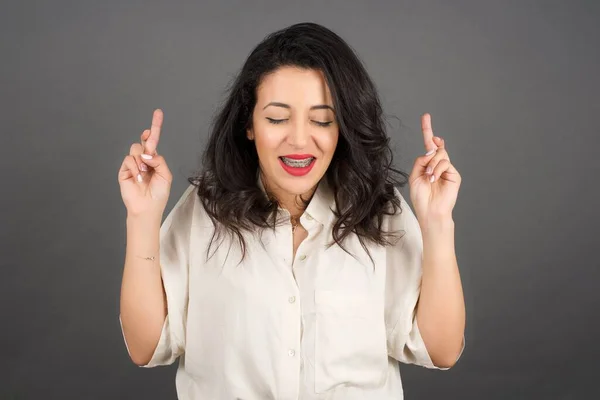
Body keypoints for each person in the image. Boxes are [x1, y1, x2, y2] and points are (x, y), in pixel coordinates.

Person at [117, 22, 465, 400]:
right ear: (249, 124)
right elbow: (145, 347)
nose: (299, 140)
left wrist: (438, 223)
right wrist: (142, 218)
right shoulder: (205, 211)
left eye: (321, 120)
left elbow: (441, 351)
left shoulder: (379, 211)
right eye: (277, 118)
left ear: (342, 127)